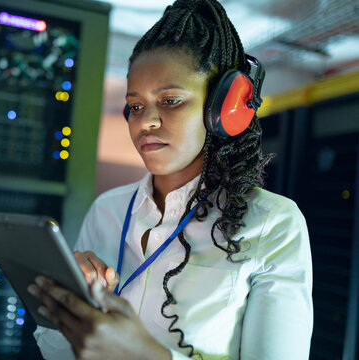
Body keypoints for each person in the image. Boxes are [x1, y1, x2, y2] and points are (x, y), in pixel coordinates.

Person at [27, 0, 313, 359]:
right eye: (135, 106)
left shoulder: (273, 225)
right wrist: (64, 306)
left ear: (223, 108)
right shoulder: (107, 210)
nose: (145, 121)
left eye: (171, 101)